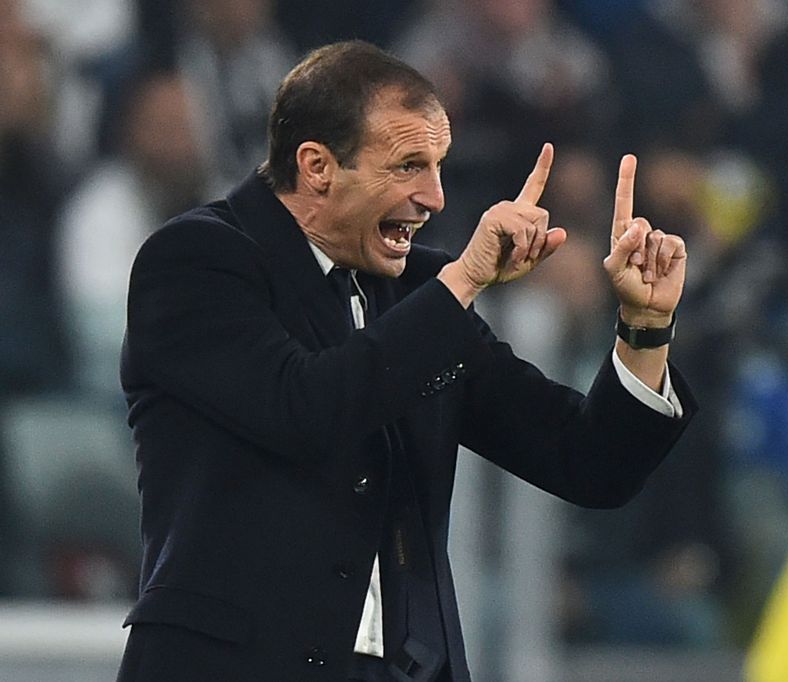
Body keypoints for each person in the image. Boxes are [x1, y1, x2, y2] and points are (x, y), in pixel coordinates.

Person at [115, 40, 697, 682]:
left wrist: (645, 328)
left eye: (440, 165)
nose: (436, 197)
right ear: (317, 166)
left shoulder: (421, 292)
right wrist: (465, 280)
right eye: (408, 166)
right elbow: (306, 410)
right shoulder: (197, 261)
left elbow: (588, 465)